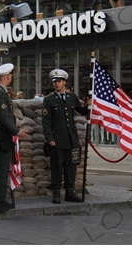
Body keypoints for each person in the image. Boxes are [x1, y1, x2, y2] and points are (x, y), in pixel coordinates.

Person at [42, 69, 89, 204]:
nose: (57, 84)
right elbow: (46, 121)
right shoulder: (49, 99)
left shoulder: (72, 97)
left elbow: (81, 111)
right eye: (55, 82)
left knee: (71, 166)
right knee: (57, 165)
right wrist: (49, 138)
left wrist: (89, 105)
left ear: (64, 82)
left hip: (71, 139)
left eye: (59, 81)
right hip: (57, 139)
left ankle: (70, 191)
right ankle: (56, 192)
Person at [0, 63, 28, 213]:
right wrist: (17, 131)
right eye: (11, 75)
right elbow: (4, 118)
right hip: (2, 135)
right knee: (2, 169)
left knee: (1, 168)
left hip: (1, 134)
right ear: (8, 77)